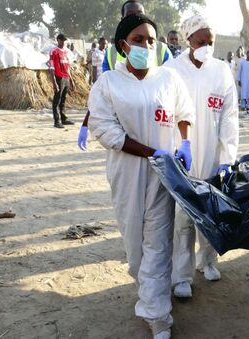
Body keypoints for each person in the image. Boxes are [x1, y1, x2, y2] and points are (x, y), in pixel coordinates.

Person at [88, 13, 194, 339]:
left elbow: (184, 112)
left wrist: (185, 141)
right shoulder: (108, 84)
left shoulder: (168, 79)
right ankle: (148, 291)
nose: (146, 46)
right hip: (127, 174)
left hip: (163, 177)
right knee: (136, 249)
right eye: (138, 40)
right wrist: (151, 152)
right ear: (123, 45)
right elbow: (105, 130)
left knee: (159, 243)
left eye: (150, 40)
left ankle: (158, 315)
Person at [166, 15, 239, 299]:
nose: (207, 47)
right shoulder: (172, 70)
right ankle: (182, 276)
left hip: (211, 156)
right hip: (182, 156)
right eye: (201, 42)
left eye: (211, 42)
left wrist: (227, 155)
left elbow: (229, 116)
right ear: (188, 41)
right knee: (183, 219)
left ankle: (207, 261)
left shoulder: (221, 71)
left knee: (210, 215)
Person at [78, 0, 171, 151]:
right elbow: (102, 93)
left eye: (139, 14)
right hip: (126, 128)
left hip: (156, 123)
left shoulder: (161, 50)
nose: (145, 45)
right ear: (122, 19)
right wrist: (85, 123)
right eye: (130, 15)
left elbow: (174, 90)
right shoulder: (112, 52)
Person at [49, 33, 76, 128]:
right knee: (57, 99)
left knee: (63, 99)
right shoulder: (54, 51)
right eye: (62, 40)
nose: (64, 42)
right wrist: (54, 82)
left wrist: (71, 80)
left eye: (65, 40)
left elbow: (67, 67)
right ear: (58, 40)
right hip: (59, 77)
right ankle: (57, 121)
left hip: (66, 78)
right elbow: (51, 68)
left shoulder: (66, 51)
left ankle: (64, 118)